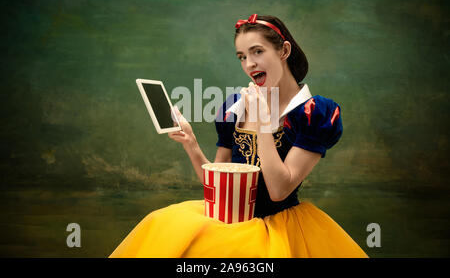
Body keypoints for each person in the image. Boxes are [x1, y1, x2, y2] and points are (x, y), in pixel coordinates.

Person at [109, 14, 368, 258]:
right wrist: (191, 144)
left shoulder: (314, 113)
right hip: (227, 220)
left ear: (284, 51)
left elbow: (279, 190)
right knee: (160, 226)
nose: (249, 64)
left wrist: (263, 122)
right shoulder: (235, 107)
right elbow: (218, 187)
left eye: (257, 51)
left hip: (278, 228)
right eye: (242, 57)